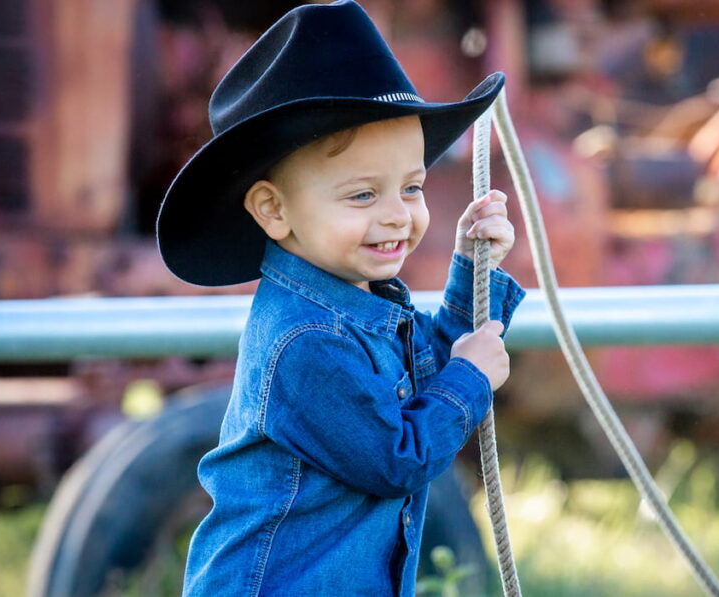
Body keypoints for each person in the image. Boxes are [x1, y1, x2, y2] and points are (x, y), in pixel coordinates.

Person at [154, 2, 524, 595]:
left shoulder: (355, 305)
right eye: (361, 196)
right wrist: (471, 380)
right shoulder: (306, 341)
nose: (397, 215)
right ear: (273, 210)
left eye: (411, 187)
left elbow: (420, 376)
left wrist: (470, 270)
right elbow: (396, 458)